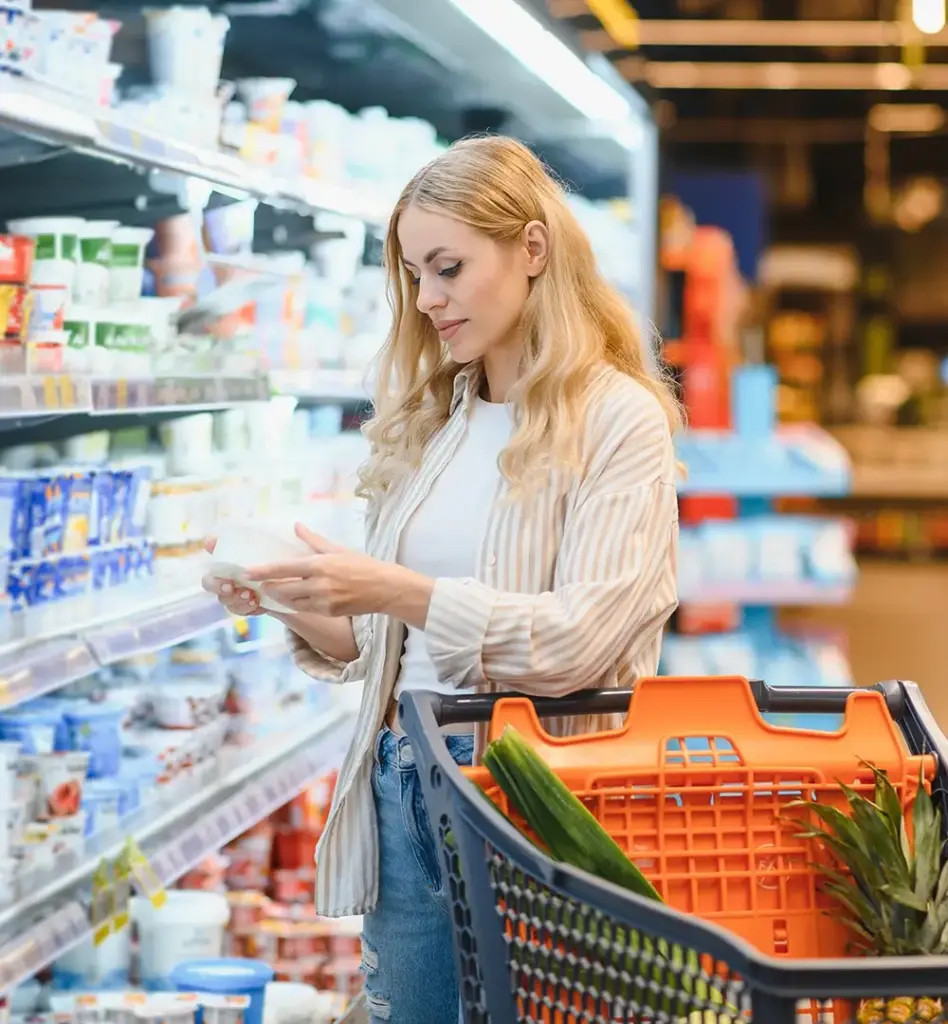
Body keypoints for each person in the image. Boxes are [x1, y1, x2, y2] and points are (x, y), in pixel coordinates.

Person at [203, 135, 680, 1024]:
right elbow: (387, 646)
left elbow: (579, 642)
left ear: (533, 250)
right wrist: (295, 597)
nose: (427, 301)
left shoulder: (619, 421)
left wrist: (392, 589)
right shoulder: (437, 421)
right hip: (404, 777)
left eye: (448, 267)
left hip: (537, 798)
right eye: (415, 275)